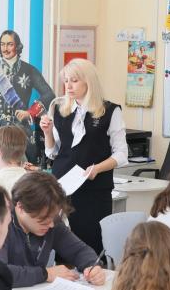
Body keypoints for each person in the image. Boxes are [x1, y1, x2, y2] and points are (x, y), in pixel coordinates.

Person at [38, 58, 127, 258]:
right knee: (63, 246)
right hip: (63, 187)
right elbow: (53, 152)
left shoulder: (110, 111)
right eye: (66, 81)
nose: (68, 86)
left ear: (89, 81)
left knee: (90, 245)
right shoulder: (59, 110)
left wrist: (98, 168)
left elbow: (121, 154)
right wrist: (48, 133)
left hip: (94, 190)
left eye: (74, 80)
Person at [0, 171, 106, 288]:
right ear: (20, 208)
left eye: (53, 217)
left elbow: (79, 251)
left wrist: (92, 267)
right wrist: (45, 274)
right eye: (43, 220)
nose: (51, 225)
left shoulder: (51, 220)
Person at [0, 30, 55, 166]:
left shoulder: (29, 70)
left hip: (20, 129)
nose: (5, 48)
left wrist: (30, 112)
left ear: (17, 46)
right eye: (2, 44)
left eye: (9, 44)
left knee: (24, 170)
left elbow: (49, 94)